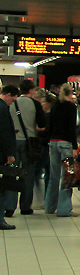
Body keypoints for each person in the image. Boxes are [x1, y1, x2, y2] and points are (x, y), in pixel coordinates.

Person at [5, 79, 45, 217]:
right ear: (32, 90)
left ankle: (9, 207)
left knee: (11, 173)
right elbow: (42, 124)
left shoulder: (11, 103)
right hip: (29, 143)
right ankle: (25, 206)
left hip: (13, 141)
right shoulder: (35, 104)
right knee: (27, 174)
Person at [45, 83, 79, 218]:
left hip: (53, 142)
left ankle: (49, 206)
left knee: (53, 176)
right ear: (70, 94)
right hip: (65, 143)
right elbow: (71, 128)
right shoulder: (71, 107)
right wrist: (75, 146)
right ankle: (64, 209)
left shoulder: (55, 106)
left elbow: (50, 125)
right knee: (67, 177)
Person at [0, 85, 19, 230]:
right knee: (2, 187)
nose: (13, 102)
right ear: (8, 94)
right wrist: (10, 154)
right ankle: (0, 219)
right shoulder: (2, 108)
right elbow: (4, 134)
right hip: (1, 153)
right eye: (13, 98)